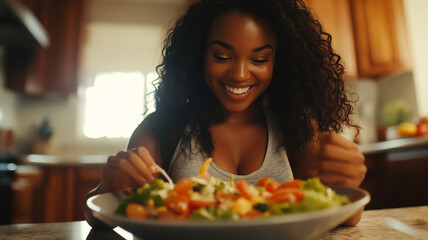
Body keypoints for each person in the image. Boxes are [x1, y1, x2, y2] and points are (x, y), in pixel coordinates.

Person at [84, 0, 366, 228]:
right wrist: (108, 184)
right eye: (222, 56)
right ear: (198, 55)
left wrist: (347, 186)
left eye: (259, 59)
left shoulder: (296, 128)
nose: (240, 74)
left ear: (279, 62)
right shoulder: (163, 129)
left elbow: (345, 217)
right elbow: (98, 217)